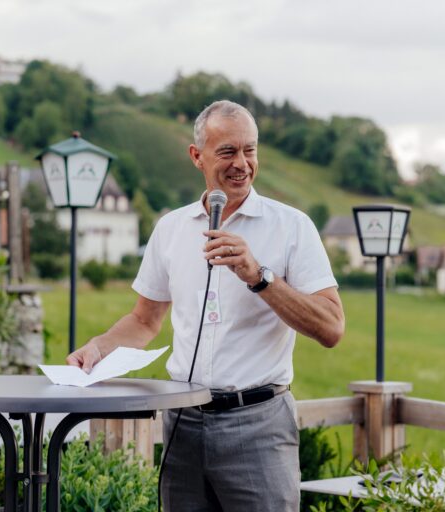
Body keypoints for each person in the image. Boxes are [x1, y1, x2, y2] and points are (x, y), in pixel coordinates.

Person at [67, 99, 345, 511]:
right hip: (182, 421)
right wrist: (98, 348)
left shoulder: (292, 227)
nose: (242, 164)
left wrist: (259, 276)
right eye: (228, 151)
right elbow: (144, 320)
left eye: (250, 150)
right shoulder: (170, 228)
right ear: (197, 156)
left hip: (258, 425)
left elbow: (332, 327)